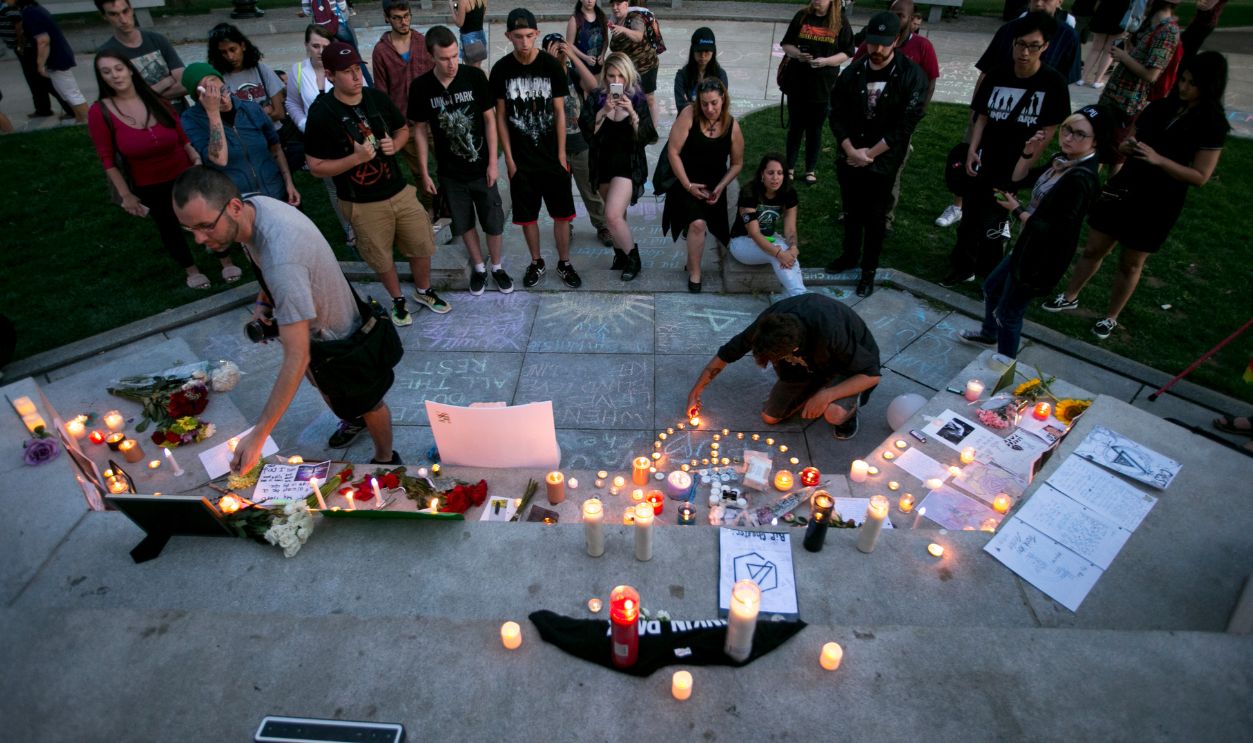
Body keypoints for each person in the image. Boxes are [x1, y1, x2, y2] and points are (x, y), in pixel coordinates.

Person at [171, 167, 402, 470]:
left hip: (338, 336)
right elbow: (270, 271)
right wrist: (264, 300)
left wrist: (259, 434)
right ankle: (351, 417)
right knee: (329, 388)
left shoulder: (283, 260)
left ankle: (386, 457)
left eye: (205, 226)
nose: (200, 239)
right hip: (313, 319)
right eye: (190, 230)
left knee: (368, 400)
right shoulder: (254, 207)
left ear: (235, 207)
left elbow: (297, 356)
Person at [1042, 52, 1229, 341]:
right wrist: (1129, 147)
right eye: (1183, 79)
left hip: (1160, 200)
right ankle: (1070, 295)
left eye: (1192, 83)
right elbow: (1134, 136)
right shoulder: (1159, 108)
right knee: (1094, 248)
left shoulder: (1213, 124)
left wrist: (1159, 160)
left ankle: (1110, 316)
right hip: (1126, 185)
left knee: (1131, 262)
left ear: (1210, 86)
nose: (1183, 87)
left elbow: (1200, 177)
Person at [305, 41, 450, 326]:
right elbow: (315, 166)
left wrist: (394, 145)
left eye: (358, 69)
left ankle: (424, 290)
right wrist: (355, 159)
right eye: (347, 72)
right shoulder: (322, 112)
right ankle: (397, 300)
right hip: (361, 201)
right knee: (381, 257)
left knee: (421, 243)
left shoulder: (375, 98)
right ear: (331, 75)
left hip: (398, 190)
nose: (356, 77)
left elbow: (402, 129)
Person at [960, 105, 1109, 357]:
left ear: (1095, 143)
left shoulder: (1080, 180)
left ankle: (1004, 366)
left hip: (1041, 258)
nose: (1069, 137)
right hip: (1027, 246)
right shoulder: (1062, 162)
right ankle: (989, 335)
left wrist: (1017, 210)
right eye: (1067, 129)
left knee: (1009, 313)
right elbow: (1019, 181)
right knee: (992, 288)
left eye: (1079, 134)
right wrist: (1028, 153)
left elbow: (1055, 231)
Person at [88, 53, 242, 289]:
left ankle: (225, 259)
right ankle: (191, 269)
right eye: (106, 72)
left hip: (184, 172)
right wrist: (126, 196)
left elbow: (182, 136)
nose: (114, 76)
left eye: (118, 68)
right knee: (168, 226)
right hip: (148, 181)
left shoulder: (155, 99)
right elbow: (107, 160)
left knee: (206, 215)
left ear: (129, 69)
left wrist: (194, 155)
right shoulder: (100, 112)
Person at [941, 12, 1070, 287]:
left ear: (1044, 47)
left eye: (1033, 46)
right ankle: (963, 265)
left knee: (996, 219)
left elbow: (1049, 130)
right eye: (1020, 44)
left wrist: (1023, 167)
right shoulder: (998, 74)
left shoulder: (1052, 83)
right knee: (970, 216)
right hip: (985, 158)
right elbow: (982, 116)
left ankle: (990, 272)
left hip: (1014, 163)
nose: (1024, 52)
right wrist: (973, 150)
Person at [826, 11, 927, 297]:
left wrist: (869, 154)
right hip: (850, 154)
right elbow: (836, 113)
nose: (877, 50)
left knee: (875, 217)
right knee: (852, 211)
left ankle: (868, 270)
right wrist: (849, 149)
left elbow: (905, 124)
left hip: (882, 160)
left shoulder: (910, 75)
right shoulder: (854, 72)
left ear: (896, 40)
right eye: (873, 43)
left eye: (884, 44)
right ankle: (848, 256)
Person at [685, 294, 881, 440]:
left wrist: (826, 395)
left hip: (847, 367)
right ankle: (817, 384)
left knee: (833, 414)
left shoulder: (831, 332)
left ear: (794, 349)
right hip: (807, 369)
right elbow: (724, 355)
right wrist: (696, 392)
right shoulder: (768, 326)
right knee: (770, 417)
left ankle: (848, 406)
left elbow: (872, 375)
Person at [410, 25, 514, 295]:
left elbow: (490, 120)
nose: (451, 63)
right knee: (464, 221)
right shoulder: (421, 87)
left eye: (455, 55)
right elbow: (419, 130)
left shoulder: (474, 77)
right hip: (450, 172)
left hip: (481, 167)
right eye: (444, 58)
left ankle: (497, 267)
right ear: (431, 56)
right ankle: (479, 267)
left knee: (492, 220)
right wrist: (424, 171)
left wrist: (493, 162)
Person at [490, 8, 581, 289]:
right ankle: (537, 261)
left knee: (562, 214)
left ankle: (564, 263)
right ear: (509, 36)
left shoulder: (551, 66)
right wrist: (510, 159)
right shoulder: (501, 70)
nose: (525, 42)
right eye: (518, 36)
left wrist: (562, 153)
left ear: (537, 34)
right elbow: (501, 116)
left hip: (552, 156)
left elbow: (559, 112)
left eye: (529, 35)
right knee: (527, 216)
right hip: (522, 159)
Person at [566, 49, 656, 281]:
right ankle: (621, 256)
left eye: (620, 76)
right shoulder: (597, 97)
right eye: (611, 76)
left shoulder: (637, 98)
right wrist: (604, 111)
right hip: (603, 164)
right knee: (618, 217)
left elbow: (648, 137)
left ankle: (633, 257)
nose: (616, 81)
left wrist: (633, 115)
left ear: (628, 76)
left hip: (627, 165)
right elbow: (587, 133)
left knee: (612, 215)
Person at [662, 78, 743, 293]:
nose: (709, 108)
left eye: (714, 103)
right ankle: (696, 272)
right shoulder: (689, 115)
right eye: (704, 103)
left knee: (704, 226)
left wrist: (721, 186)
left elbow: (737, 164)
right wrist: (688, 185)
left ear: (723, 99)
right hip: (687, 181)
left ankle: (692, 259)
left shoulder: (733, 126)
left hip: (715, 185)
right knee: (697, 224)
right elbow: (673, 152)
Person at [181, 63, 300, 207]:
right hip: (237, 202)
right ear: (201, 99)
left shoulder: (250, 109)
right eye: (214, 96)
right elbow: (219, 159)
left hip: (276, 192)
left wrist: (289, 183)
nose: (224, 100)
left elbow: (275, 148)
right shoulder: (191, 120)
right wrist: (213, 113)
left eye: (223, 90)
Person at [286, 24, 354, 247]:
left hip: (347, 137)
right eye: (315, 46)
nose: (320, 51)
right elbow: (292, 103)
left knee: (356, 179)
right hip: (320, 142)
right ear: (307, 46)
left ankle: (368, 222)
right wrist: (303, 123)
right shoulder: (297, 71)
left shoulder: (341, 67)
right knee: (333, 186)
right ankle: (349, 228)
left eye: (325, 46)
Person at [543, 32, 613, 249]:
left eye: (560, 47)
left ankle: (603, 226)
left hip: (580, 143)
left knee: (591, 191)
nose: (559, 53)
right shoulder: (542, 77)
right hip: (555, 147)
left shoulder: (573, 75)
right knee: (560, 191)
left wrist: (572, 56)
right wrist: (549, 62)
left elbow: (594, 87)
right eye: (554, 49)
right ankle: (566, 226)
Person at [878, 0, 939, 233]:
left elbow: (930, 81)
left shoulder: (922, 47)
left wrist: (917, 114)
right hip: (872, 120)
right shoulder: (875, 41)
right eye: (893, 13)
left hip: (901, 123)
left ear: (912, 19)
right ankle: (854, 210)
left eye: (901, 15)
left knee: (894, 168)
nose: (896, 19)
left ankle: (885, 217)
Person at [1097, 0, 1181, 168]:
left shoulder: (1167, 31)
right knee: (1099, 146)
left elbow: (1152, 75)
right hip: (1114, 97)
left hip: (1127, 103)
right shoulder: (1152, 25)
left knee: (1116, 155)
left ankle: (1111, 192)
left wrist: (1124, 57)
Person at [779, 0, 853, 186]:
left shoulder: (840, 22)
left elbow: (847, 52)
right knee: (795, 127)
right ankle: (789, 167)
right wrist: (797, 55)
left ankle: (810, 169)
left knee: (815, 129)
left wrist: (827, 61)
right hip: (798, 83)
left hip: (823, 86)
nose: (816, 0)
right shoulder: (802, 16)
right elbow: (787, 44)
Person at [372, 1, 434, 184]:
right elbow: (381, 93)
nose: (403, 22)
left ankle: (449, 204)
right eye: (397, 18)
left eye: (406, 16)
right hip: (404, 123)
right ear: (386, 18)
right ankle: (430, 205)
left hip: (430, 117)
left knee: (446, 164)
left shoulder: (423, 42)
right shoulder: (381, 51)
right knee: (419, 172)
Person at [727, 153, 806, 297]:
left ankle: (797, 295)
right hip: (742, 242)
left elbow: (790, 229)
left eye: (780, 173)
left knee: (787, 250)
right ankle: (800, 296)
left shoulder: (789, 193)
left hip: (768, 237)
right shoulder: (749, 192)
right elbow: (754, 233)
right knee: (780, 252)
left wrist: (793, 247)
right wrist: (779, 253)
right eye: (770, 173)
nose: (775, 178)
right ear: (762, 174)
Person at [95, 0, 187, 111]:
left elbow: (185, 84)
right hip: (143, 118)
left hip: (179, 112)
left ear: (132, 9)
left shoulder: (157, 40)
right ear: (105, 17)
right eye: (114, 14)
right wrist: (165, 82)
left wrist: (143, 96)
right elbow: (123, 100)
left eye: (125, 11)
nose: (123, 20)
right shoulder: (107, 53)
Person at [10, 0, 89, 123]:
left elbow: (43, 40)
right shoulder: (33, 9)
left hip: (56, 57)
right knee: (65, 92)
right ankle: (80, 120)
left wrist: (40, 64)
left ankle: (88, 122)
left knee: (71, 92)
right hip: (58, 56)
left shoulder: (30, 13)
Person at [1, 1, 73, 119]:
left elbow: (18, 23)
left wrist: (20, 43)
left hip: (26, 49)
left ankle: (71, 109)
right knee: (34, 80)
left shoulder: (11, 7)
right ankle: (42, 108)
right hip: (22, 49)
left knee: (41, 79)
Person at [207, 23, 285, 128]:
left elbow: (279, 113)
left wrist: (245, 122)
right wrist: (263, 114)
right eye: (223, 52)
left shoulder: (261, 70)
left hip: (274, 136)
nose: (230, 56)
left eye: (232, 49)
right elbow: (224, 120)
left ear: (243, 46)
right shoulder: (219, 79)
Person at [607, 0, 660, 128]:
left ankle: (652, 129)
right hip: (628, 69)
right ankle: (626, 125)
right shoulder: (613, 19)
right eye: (612, 5)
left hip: (646, 65)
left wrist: (623, 29)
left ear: (626, 4)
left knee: (649, 98)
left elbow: (638, 36)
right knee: (625, 96)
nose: (615, 8)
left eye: (618, 4)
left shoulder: (635, 18)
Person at [673, 26, 727, 111]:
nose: (703, 55)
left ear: (713, 52)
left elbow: (722, 104)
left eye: (707, 51)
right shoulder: (682, 75)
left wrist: (691, 105)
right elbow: (681, 106)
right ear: (693, 51)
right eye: (699, 51)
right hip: (688, 119)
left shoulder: (720, 75)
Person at [1081, 0, 1133, 88]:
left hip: (1103, 11)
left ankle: (1082, 78)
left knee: (1095, 48)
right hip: (1121, 14)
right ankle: (1097, 81)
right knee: (1108, 51)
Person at [566, 0, 607, 81]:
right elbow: (569, 44)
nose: (589, 1)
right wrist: (585, 58)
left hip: (598, 65)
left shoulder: (601, 17)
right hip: (581, 65)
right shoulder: (575, 19)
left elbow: (605, 40)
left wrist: (602, 55)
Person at [451, 0, 488, 69]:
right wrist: (455, 6)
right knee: (476, 68)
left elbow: (459, 23)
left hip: (469, 40)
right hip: (480, 36)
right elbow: (482, 16)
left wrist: (452, 8)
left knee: (473, 71)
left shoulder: (463, 1)